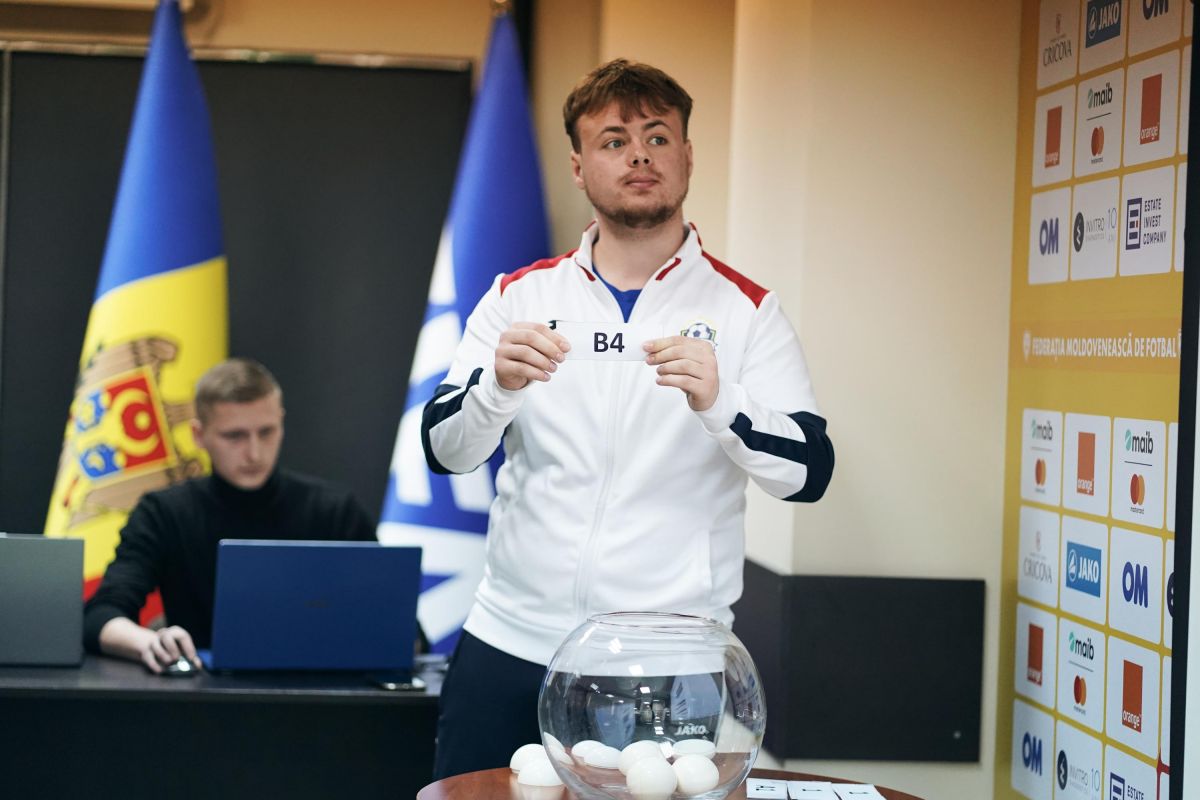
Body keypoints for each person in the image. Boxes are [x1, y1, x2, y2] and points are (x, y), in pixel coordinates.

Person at [423, 59, 835, 777]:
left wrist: (722, 404)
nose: (639, 155)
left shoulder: (746, 310)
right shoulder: (518, 296)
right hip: (512, 640)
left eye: (657, 137)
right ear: (579, 167)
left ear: (687, 157)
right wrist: (496, 389)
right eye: (614, 141)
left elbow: (809, 473)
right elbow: (445, 451)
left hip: (668, 659)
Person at [83, 358, 376, 673]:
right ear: (198, 435)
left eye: (266, 432)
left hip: (323, 688)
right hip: (200, 689)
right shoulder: (164, 513)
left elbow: (389, 617)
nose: (254, 453)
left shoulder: (335, 511)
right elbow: (100, 615)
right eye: (235, 436)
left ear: (281, 421)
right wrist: (149, 643)